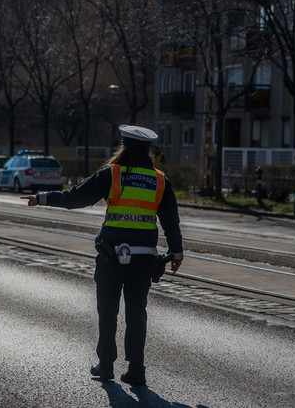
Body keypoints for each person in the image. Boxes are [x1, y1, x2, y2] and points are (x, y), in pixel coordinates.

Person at [22, 124, 183, 387]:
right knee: (136, 312)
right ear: (148, 150)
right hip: (145, 258)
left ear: (124, 147)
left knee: (107, 311)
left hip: (111, 257)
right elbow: (171, 221)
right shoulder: (160, 179)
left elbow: (77, 198)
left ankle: (106, 365)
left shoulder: (113, 174)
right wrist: (177, 252)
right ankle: (136, 370)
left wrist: (41, 198)